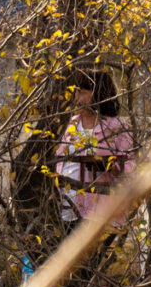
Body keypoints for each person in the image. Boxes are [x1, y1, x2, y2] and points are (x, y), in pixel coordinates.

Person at [55, 68, 135, 231]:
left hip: (99, 215)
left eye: (82, 92)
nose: (76, 98)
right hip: (65, 212)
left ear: (99, 94)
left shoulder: (117, 128)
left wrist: (111, 167)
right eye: (75, 92)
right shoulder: (69, 125)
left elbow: (132, 169)